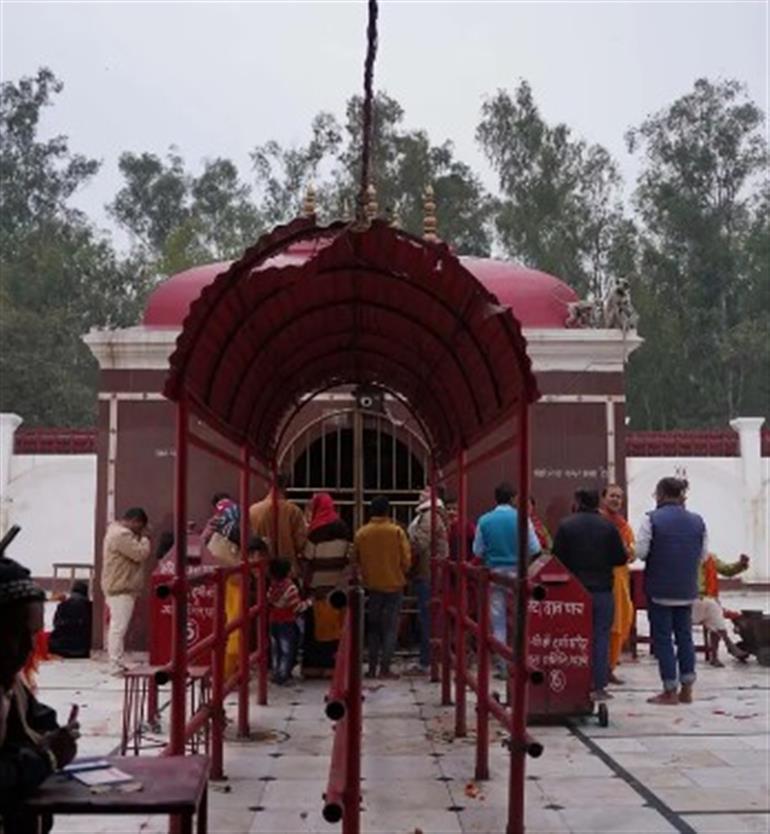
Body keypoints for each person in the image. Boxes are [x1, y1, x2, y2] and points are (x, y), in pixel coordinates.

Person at [1, 555, 80, 834]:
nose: (29, 647)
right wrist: (46, 758)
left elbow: (37, 718)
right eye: (16, 634)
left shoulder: (11, 681)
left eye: (34, 635)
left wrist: (57, 736)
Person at [637, 477, 706, 705]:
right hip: (686, 589)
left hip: (659, 588)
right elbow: (703, 555)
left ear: (660, 494)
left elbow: (641, 552)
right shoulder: (698, 521)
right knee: (685, 637)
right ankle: (687, 689)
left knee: (664, 639)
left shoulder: (651, 519)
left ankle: (669, 690)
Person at [552, 489, 627, 701]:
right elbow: (620, 558)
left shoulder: (566, 525)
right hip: (602, 589)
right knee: (601, 637)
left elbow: (557, 559)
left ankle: (571, 681)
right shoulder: (609, 527)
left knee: (572, 637)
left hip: (574, 590)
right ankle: (598, 685)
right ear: (598, 503)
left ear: (577, 501)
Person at [473, 482, 541, 678]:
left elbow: (477, 551)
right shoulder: (522, 518)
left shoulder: (484, 520)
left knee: (498, 620)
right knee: (521, 618)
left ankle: (502, 663)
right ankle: (520, 660)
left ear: (495, 498)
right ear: (513, 498)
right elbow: (535, 548)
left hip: (495, 574)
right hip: (518, 575)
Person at [354, 496, 412, 680]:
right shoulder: (396, 532)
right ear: (388, 511)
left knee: (373, 628)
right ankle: (385, 668)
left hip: (372, 586)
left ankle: (371, 668)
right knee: (391, 628)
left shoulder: (362, 533)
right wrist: (400, 572)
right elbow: (406, 560)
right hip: (394, 585)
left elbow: (355, 559)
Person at [299, 493, 352, 678]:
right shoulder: (344, 529)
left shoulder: (315, 532)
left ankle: (313, 667)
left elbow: (307, 558)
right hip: (335, 587)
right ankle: (332, 667)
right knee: (334, 630)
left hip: (317, 588)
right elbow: (348, 557)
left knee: (314, 630)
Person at [100, 507, 151, 675]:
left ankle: (117, 662)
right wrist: (145, 538)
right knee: (118, 627)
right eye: (140, 526)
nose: (140, 530)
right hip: (121, 587)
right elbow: (140, 554)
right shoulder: (121, 535)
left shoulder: (116, 532)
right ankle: (115, 664)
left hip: (119, 585)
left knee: (118, 626)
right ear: (134, 521)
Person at [407, 488, 449, 674]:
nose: (421, 493)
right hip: (433, 571)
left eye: (425, 490)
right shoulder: (433, 515)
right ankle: (431, 657)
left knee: (427, 617)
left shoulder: (429, 516)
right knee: (429, 616)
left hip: (428, 572)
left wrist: (404, 551)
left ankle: (427, 661)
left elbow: (420, 543)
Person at [600, 484, 636, 684]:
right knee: (609, 624)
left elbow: (631, 552)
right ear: (603, 498)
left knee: (622, 621)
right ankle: (602, 668)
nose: (615, 500)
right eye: (612, 496)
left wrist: (628, 551)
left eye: (619, 497)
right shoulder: (599, 521)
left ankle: (610, 666)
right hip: (604, 578)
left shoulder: (623, 525)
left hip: (621, 579)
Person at [693, 552, 750, 666]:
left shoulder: (709, 558)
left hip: (707, 600)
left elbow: (727, 570)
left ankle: (716, 656)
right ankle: (729, 644)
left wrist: (741, 564)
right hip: (687, 599)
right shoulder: (680, 557)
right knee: (713, 607)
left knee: (715, 612)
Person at [249, 474, 307, 574]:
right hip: (287, 570)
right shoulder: (294, 511)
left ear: (266, 485)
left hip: (262, 570)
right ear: (285, 485)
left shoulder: (253, 510)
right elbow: (301, 542)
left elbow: (249, 540)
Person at [267, 558, 310, 685]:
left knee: (276, 650)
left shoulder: (272, 587)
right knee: (287, 650)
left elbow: (269, 600)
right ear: (287, 572)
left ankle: (277, 673)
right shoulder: (291, 588)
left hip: (273, 621)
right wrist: (309, 603)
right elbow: (297, 607)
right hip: (287, 622)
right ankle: (283, 676)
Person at [48, 580, 92, 659]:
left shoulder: (62, 605)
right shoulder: (90, 606)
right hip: (84, 649)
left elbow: (56, 624)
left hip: (61, 648)